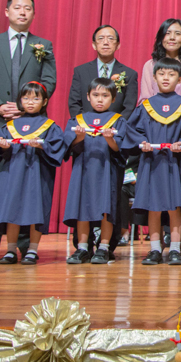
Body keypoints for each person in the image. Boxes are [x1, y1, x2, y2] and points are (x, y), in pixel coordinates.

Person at [0, 0, 56, 260]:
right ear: (7, 12)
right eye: (17, 7)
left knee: (27, 184)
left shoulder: (43, 45)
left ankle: (24, 246)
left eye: (27, 8)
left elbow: (49, 81)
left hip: (31, 125)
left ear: (33, 14)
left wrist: (27, 106)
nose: (22, 12)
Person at [67, 24, 138, 258]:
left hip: (112, 144)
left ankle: (107, 245)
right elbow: (74, 104)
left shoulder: (129, 73)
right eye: (101, 38)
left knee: (112, 196)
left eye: (111, 38)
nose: (106, 42)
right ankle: (83, 246)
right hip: (86, 143)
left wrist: (114, 128)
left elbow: (129, 107)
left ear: (118, 44)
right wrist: (86, 128)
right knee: (83, 196)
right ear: (93, 43)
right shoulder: (81, 71)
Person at [121, 58, 181, 266]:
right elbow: (133, 131)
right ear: (154, 77)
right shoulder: (145, 107)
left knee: (175, 206)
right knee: (153, 206)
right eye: (162, 74)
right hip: (151, 162)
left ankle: (175, 248)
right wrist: (142, 142)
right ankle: (155, 248)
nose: (166, 78)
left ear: (180, 79)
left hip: (175, 164)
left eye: (171, 74)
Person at [0, 82, 65, 265]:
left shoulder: (49, 126)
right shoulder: (11, 125)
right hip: (13, 172)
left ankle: (32, 250)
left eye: (35, 98)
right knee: (11, 209)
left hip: (37, 173)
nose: (30, 102)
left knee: (36, 210)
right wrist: (3, 146)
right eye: (26, 98)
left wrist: (42, 146)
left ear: (44, 102)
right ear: (20, 100)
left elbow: (58, 149)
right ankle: (10, 249)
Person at [139, 19, 181, 235]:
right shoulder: (150, 65)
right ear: (161, 37)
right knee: (155, 189)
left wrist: (180, 128)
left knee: (180, 188)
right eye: (167, 33)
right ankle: (156, 241)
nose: (172, 37)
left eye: (177, 33)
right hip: (154, 132)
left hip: (180, 131)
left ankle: (178, 240)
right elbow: (145, 98)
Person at [62, 77, 127, 265]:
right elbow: (68, 147)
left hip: (107, 170)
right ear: (88, 97)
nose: (100, 99)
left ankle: (104, 247)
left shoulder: (118, 120)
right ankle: (83, 247)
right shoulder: (78, 120)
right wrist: (78, 137)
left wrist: (109, 139)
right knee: (82, 207)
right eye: (96, 95)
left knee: (107, 208)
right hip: (83, 170)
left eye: (105, 95)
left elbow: (120, 149)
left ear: (113, 98)